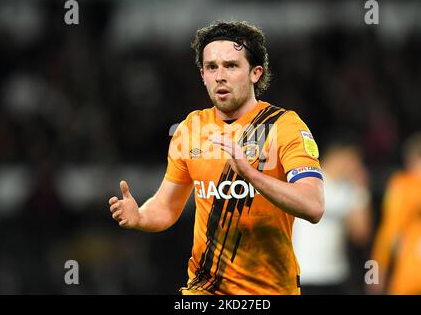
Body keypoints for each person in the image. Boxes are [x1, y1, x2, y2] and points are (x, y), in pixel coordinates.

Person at [108, 21, 324, 295]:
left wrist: (252, 175)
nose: (220, 75)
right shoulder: (190, 128)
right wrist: (140, 216)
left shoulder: (284, 126)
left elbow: (313, 206)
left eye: (231, 66)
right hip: (204, 290)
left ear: (255, 73)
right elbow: (166, 207)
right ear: (202, 75)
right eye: (212, 67)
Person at [370, 131, 421, 295]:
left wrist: (374, 275)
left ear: (410, 159)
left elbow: (388, 232)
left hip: (411, 273)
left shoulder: (402, 184)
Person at [292, 142, 372, 294]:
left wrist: (361, 190)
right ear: (339, 156)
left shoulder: (347, 189)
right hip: (305, 274)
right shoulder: (306, 181)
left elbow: (361, 233)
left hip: (336, 274)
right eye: (355, 161)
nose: (357, 166)